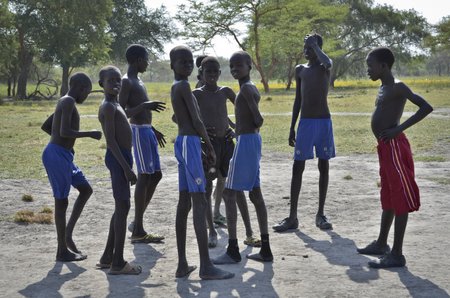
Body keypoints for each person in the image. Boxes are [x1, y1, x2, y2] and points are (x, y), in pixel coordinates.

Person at [356, 47, 433, 268]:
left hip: (395, 148)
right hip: (384, 147)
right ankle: (381, 244)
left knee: (399, 197)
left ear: (384, 66)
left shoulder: (398, 87)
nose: (368, 70)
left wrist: (398, 130)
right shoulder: (383, 87)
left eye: (370, 66)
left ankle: (397, 254)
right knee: (388, 194)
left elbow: (426, 107)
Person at [169, 45, 233, 280]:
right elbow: (196, 120)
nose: (186, 65)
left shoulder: (178, 86)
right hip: (191, 143)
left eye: (189, 62)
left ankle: (182, 264)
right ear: (172, 65)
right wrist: (207, 144)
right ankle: (206, 266)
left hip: (183, 143)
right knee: (198, 201)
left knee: (184, 201)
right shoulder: (185, 86)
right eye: (182, 61)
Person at [193, 56, 261, 248]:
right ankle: (212, 231)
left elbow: (241, 108)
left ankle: (248, 232)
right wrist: (202, 132)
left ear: (220, 73)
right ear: (201, 74)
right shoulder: (196, 94)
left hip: (227, 143)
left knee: (236, 188)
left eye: (215, 71)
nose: (212, 75)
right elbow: (178, 118)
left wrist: (233, 126)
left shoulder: (226, 91)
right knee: (206, 188)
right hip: (209, 146)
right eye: (208, 71)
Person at [212, 51, 273, 264]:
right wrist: (235, 128)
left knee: (229, 194)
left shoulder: (246, 89)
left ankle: (233, 249)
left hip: (247, 142)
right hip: (250, 140)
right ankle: (265, 248)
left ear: (250, 67)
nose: (235, 68)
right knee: (255, 194)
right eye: (232, 65)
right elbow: (249, 121)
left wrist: (242, 132)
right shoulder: (248, 88)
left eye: (239, 65)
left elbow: (258, 119)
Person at [273, 33, 335, 232]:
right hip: (305, 123)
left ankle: (321, 214)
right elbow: (298, 100)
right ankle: (292, 217)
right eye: (305, 48)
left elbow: (328, 62)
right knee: (297, 168)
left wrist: (316, 46)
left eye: (310, 48)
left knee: (323, 166)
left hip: (324, 122)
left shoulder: (324, 67)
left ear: (318, 48)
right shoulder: (300, 70)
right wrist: (292, 126)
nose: (306, 51)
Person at [41, 72, 102, 262]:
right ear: (81, 88)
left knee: (85, 190)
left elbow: (47, 126)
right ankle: (62, 251)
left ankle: (67, 235)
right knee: (62, 202)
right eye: (87, 92)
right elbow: (64, 131)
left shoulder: (65, 102)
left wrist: (65, 146)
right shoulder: (67, 102)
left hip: (63, 155)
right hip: (56, 155)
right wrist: (90, 134)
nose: (86, 96)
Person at [96, 66, 142, 275]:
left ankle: (107, 256)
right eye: (111, 80)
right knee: (123, 207)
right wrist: (127, 169)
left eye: (118, 80)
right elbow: (111, 142)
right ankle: (118, 262)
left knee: (120, 208)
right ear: (101, 84)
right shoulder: (107, 106)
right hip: (118, 159)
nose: (116, 83)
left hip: (122, 158)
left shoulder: (115, 104)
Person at [119, 44, 166, 244]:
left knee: (156, 175)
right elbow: (120, 112)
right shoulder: (127, 81)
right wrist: (145, 106)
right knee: (145, 176)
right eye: (146, 59)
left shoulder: (139, 80)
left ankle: (136, 222)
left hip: (146, 131)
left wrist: (153, 129)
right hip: (137, 132)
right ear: (138, 60)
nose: (148, 63)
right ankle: (138, 229)